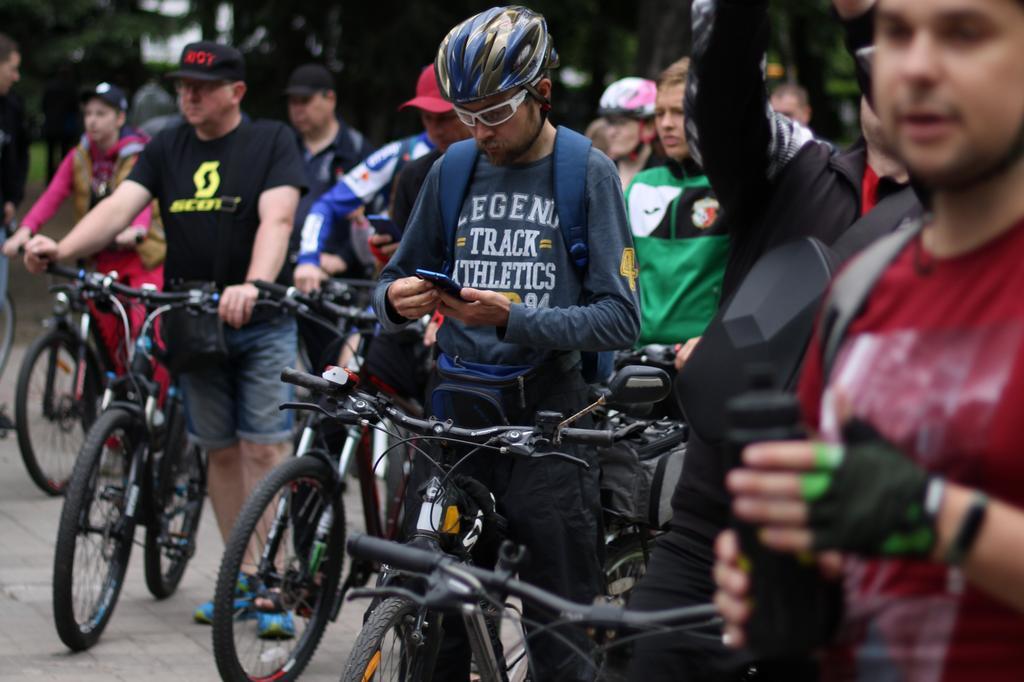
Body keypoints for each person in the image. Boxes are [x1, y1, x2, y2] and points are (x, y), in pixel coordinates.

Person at [714, 1, 1024, 680]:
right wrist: (798, 587)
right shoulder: (861, 286)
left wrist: (931, 515)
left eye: (964, 32)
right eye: (894, 36)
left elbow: (908, 516)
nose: (913, 67)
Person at [624, 1, 919, 680]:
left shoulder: (971, 221)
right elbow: (722, 97)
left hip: (863, 555)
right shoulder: (791, 169)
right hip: (708, 528)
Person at [375, 7, 640, 680]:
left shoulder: (588, 172)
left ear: (538, 92)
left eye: (493, 112)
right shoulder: (454, 168)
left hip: (552, 428)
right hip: (457, 420)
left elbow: (619, 319)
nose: (478, 131)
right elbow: (394, 278)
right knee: (436, 619)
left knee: (561, 634)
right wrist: (392, 300)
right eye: (466, 114)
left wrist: (515, 318)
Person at [22, 41, 307, 639]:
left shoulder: (270, 142)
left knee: (262, 450)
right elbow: (119, 205)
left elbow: (278, 218)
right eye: (182, 85)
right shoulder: (166, 145)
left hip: (258, 318)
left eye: (201, 86)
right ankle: (244, 577)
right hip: (192, 315)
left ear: (237, 92)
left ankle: (277, 581)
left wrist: (255, 284)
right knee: (220, 450)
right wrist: (63, 246)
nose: (188, 95)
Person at [3, 82, 165, 375]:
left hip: (140, 256)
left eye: (101, 113)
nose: (92, 120)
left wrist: (137, 231)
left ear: (119, 118)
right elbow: (52, 195)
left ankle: (153, 401)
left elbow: (139, 201)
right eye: (88, 113)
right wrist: (25, 230)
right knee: (105, 333)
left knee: (143, 335)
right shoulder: (81, 155)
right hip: (99, 255)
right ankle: (112, 400)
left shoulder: (136, 153)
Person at [295, 65, 465, 281]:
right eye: (426, 118)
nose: (435, 129)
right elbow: (325, 205)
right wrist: (308, 259)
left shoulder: (496, 158)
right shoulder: (402, 156)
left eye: (445, 117)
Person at [624, 57, 729, 349]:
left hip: (709, 353)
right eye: (659, 113)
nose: (666, 124)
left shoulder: (734, 188)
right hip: (638, 355)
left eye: (679, 112)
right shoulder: (641, 185)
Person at [285, 62, 375, 294]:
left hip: (340, 279)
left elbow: (376, 214)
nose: (297, 109)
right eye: (292, 101)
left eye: (305, 101)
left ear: (330, 99)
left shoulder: (357, 150)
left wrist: (344, 257)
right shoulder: (284, 149)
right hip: (287, 273)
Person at [598, 76, 661, 189]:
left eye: (621, 123)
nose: (611, 132)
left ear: (649, 127)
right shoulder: (598, 173)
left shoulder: (668, 176)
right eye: (609, 123)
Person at [0, 33, 27, 228]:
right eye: (12, 69)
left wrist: (12, 199)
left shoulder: (12, 106)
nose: (16, 77)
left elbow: (19, 155)